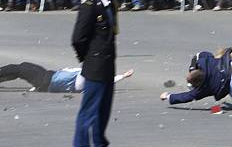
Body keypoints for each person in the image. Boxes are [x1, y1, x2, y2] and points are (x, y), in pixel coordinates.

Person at [71, 0, 121, 147]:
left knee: (103, 111)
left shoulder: (110, 5)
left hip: (108, 65)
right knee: (88, 112)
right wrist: (89, 60)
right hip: (95, 65)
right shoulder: (90, 6)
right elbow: (78, 38)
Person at [0, 62, 133, 92]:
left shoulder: (83, 81)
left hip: (45, 80)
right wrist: (122, 76)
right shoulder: (86, 79)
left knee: (18, 69)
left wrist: (120, 77)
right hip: (48, 75)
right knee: (22, 67)